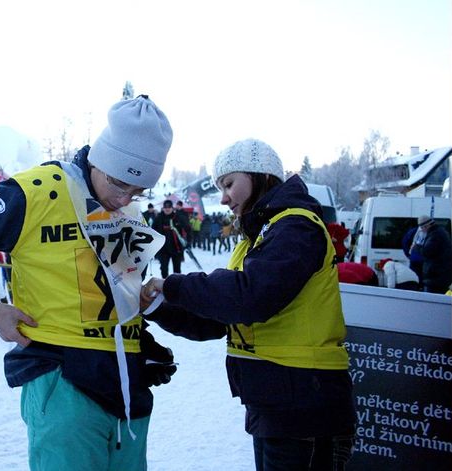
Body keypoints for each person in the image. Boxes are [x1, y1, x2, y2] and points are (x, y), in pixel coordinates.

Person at [0, 96, 177, 471]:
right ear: (100, 160)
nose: (124, 199)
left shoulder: (127, 210)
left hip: (128, 386)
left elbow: (115, 288)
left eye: (137, 192)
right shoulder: (41, 191)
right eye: (119, 184)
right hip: (63, 379)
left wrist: (142, 337)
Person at [140, 138, 356, 470]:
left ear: (259, 174)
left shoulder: (295, 226)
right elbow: (219, 319)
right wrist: (154, 307)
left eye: (228, 183)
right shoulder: (258, 238)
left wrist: (172, 284)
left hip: (307, 405)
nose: (223, 197)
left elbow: (250, 297)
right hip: (276, 402)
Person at [412, 215, 452, 294]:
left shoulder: (435, 235)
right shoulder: (441, 232)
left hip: (435, 277)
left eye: (422, 228)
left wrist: (416, 247)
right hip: (441, 275)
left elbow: (427, 252)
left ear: (426, 226)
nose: (422, 231)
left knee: (431, 302)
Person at [152, 199, 188, 278]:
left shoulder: (178, 218)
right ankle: (165, 286)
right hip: (163, 249)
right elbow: (153, 232)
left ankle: (177, 286)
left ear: (172, 208)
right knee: (164, 269)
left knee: (177, 270)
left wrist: (187, 242)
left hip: (176, 248)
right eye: (165, 207)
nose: (167, 209)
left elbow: (187, 229)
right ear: (163, 208)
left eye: (169, 207)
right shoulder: (158, 218)